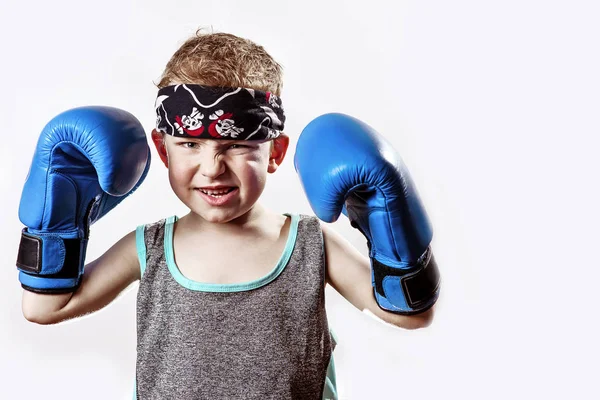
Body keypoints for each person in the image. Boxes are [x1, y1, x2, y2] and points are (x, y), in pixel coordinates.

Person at [19, 30, 438, 399]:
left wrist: (389, 226)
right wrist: (57, 224)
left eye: (236, 146)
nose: (212, 167)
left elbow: (413, 314)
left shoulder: (310, 244)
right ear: (162, 150)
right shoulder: (149, 247)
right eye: (189, 145)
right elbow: (43, 309)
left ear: (274, 152)